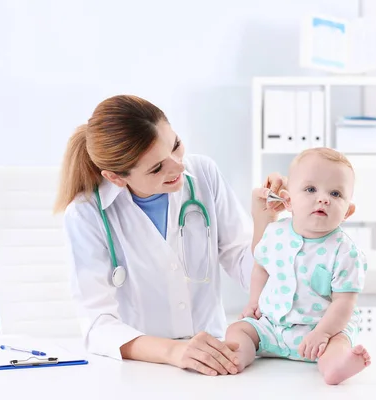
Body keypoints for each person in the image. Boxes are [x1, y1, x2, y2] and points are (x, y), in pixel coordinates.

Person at [53, 94, 286, 376]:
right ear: (116, 177)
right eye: (156, 168)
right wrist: (173, 351)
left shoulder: (204, 174)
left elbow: (244, 267)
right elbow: (98, 325)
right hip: (140, 369)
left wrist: (265, 224)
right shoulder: (87, 214)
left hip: (214, 357)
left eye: (175, 145)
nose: (179, 166)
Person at [225, 147, 371, 385]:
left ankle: (335, 366)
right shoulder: (274, 233)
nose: (323, 198)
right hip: (271, 326)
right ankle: (237, 355)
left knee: (339, 341)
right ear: (288, 201)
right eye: (311, 189)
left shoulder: (346, 252)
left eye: (335, 193)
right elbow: (261, 267)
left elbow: (344, 302)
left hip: (319, 330)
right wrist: (254, 302)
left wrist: (322, 333)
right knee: (238, 330)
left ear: (348, 211)